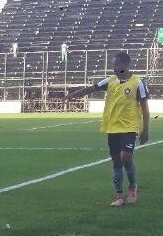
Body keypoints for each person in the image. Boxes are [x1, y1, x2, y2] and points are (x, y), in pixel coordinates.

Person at [63, 51, 150, 206]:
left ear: (125, 64)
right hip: (112, 127)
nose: (113, 67)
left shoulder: (137, 82)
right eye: (113, 64)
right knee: (116, 161)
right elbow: (91, 89)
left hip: (129, 127)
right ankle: (118, 195)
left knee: (126, 157)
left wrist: (145, 129)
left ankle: (132, 187)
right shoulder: (110, 81)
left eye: (116, 64)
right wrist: (72, 95)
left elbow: (144, 108)